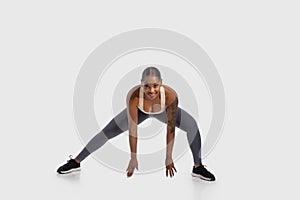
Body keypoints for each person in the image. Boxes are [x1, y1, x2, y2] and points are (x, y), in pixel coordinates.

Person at [57, 66, 216, 181]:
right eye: (147, 86)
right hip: (140, 112)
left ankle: (198, 167)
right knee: (107, 132)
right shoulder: (134, 96)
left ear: (161, 83)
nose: (151, 90)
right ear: (141, 84)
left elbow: (171, 129)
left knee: (192, 126)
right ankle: (76, 162)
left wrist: (168, 157)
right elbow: (133, 130)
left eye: (155, 85)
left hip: (163, 111)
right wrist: (133, 157)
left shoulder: (170, 96)